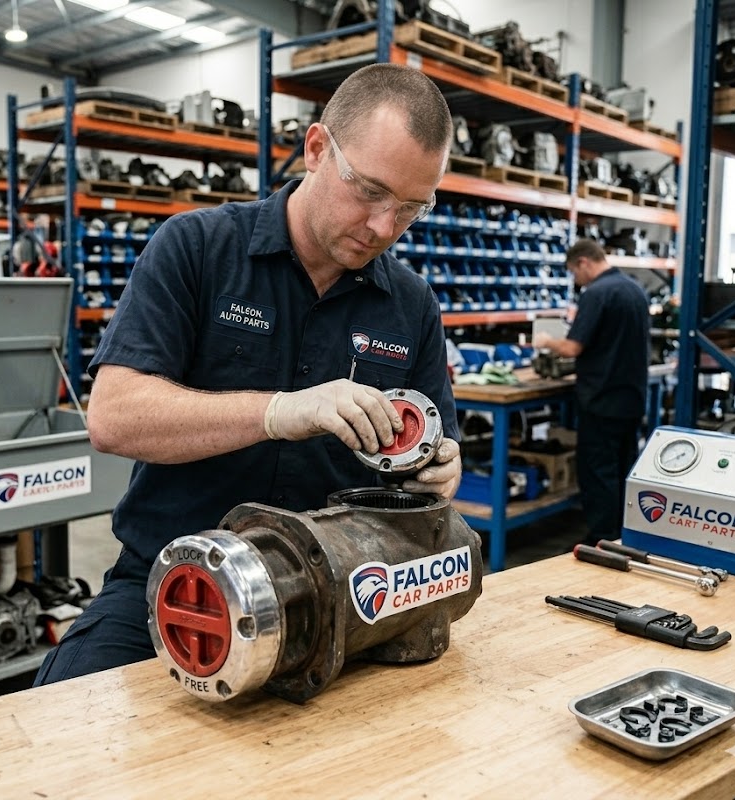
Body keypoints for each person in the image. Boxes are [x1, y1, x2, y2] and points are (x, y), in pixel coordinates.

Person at [34, 63, 464, 685]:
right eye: (370, 191)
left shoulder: (412, 303)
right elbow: (114, 416)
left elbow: (432, 452)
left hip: (339, 596)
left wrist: (440, 468)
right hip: (177, 587)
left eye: (409, 209)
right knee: (62, 730)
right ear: (317, 149)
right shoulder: (195, 250)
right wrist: (278, 412)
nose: (383, 228)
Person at [533, 238, 650, 546]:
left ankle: (602, 537)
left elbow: (572, 347)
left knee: (599, 471)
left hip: (601, 399)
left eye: (574, 272)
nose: (576, 279)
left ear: (583, 262)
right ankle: (627, 534)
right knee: (625, 467)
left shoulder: (596, 293)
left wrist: (545, 340)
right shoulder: (634, 289)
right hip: (632, 398)